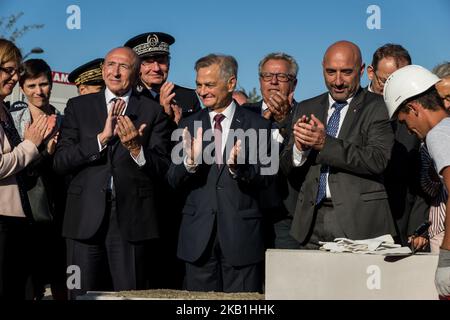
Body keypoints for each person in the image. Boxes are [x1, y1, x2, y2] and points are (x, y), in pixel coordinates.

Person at [54, 47, 171, 298]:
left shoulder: (153, 111)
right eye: (110, 65)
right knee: (79, 293)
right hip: (83, 218)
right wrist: (100, 139)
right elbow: (61, 161)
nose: (115, 72)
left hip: (131, 221)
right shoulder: (78, 106)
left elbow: (163, 168)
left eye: (123, 66)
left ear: (137, 72)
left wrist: (137, 149)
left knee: (131, 295)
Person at [167, 54, 272, 292]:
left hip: (241, 238)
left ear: (231, 83)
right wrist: (189, 163)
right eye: (199, 85)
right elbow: (172, 179)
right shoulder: (186, 126)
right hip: (197, 240)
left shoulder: (259, 125)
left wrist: (240, 169)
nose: (202, 91)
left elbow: (268, 179)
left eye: (209, 85)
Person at [280, 41, 396, 248]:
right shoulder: (307, 107)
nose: (338, 81)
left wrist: (324, 143)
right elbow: (287, 167)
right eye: (331, 72)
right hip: (309, 223)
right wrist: (299, 150)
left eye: (346, 72)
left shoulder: (377, 106)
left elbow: (378, 160)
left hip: (359, 223)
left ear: (361, 71)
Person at [383, 64, 450, 298]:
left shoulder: (438, 134)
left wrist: (446, 257)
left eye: (403, 121)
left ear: (413, 108)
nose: (408, 130)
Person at [0, 38, 53, 299]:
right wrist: (31, 145)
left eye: (16, 71)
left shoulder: (4, 110)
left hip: (17, 218)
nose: (13, 77)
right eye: (8, 70)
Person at [10, 59, 67, 300]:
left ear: (51, 84)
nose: (38, 91)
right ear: (22, 88)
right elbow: (17, 166)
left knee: (60, 276)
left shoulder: (64, 119)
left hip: (58, 207)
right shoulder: (13, 120)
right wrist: (45, 152)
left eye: (43, 84)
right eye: (31, 86)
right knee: (28, 278)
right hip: (24, 207)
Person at [366, 44, 429, 248]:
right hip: (357, 222)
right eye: (385, 81)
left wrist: (418, 227)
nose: (394, 89)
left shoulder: (416, 117)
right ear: (370, 73)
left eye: (400, 81)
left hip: (402, 222)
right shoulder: (352, 109)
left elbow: (422, 179)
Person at [243, 52, 300, 249]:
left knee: (286, 277)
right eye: (268, 76)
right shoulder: (243, 113)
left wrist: (285, 120)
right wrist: (264, 120)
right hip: (247, 211)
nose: (274, 82)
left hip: (288, 214)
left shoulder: (306, 114)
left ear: (294, 83)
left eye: (282, 77)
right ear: (260, 81)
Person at [124, 32, 201, 124]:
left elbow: (199, 132)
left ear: (169, 64)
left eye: (161, 62)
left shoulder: (188, 96)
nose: (156, 68)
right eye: (148, 62)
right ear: (137, 66)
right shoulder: (127, 96)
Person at [419, 62, 450, 253]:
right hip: (439, 226)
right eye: (441, 99)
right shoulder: (427, 136)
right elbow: (427, 187)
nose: (447, 104)